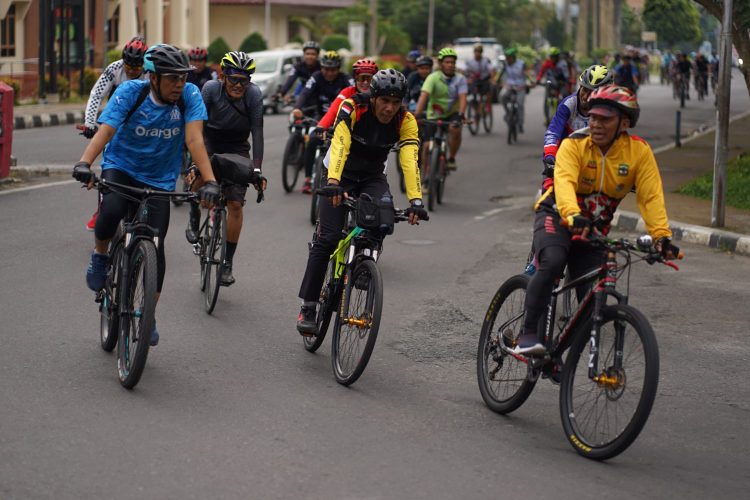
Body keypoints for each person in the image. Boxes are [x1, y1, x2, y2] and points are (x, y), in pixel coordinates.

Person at [515, 85, 680, 355]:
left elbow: (650, 198)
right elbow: (564, 182)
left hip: (593, 229)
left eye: (605, 119)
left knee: (589, 299)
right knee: (554, 261)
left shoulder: (638, 153)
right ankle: (528, 333)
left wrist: (662, 236)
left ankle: (560, 359)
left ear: (624, 123)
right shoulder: (574, 144)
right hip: (557, 215)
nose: (596, 124)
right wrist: (572, 214)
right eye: (592, 117)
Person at [72, 44, 220, 347]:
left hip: (160, 178)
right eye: (172, 78)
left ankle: (148, 313)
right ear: (153, 78)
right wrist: (85, 163)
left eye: (183, 77)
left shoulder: (190, 96)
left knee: (157, 242)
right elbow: (106, 130)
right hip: (121, 167)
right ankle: (101, 257)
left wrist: (211, 181)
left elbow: (194, 139)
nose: (180, 84)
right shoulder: (130, 93)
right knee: (111, 211)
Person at [295, 69, 428, 335]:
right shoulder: (353, 106)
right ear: (373, 97)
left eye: (396, 101)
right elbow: (341, 144)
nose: (390, 108)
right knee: (328, 238)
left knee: (383, 219)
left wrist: (415, 199)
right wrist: (333, 183)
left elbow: (409, 159)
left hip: (371, 175)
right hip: (338, 170)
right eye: (385, 101)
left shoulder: (406, 119)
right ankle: (309, 305)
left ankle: (365, 263)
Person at [185, 51, 267, 286]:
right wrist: (195, 161)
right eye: (233, 79)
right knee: (197, 180)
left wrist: (258, 169)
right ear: (223, 76)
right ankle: (193, 217)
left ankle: (227, 263)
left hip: (237, 149)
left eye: (245, 80)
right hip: (209, 143)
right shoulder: (210, 89)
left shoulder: (254, 95)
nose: (239, 85)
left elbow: (258, 133)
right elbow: (196, 126)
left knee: (235, 205)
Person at [81, 36, 149, 231]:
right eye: (128, 65)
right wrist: (89, 123)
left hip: (140, 126)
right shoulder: (114, 69)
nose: (131, 70)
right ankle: (103, 208)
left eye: (136, 67)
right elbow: (96, 95)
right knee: (109, 167)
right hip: (114, 125)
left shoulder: (149, 73)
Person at [541, 65, 614, 187]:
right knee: (548, 196)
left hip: (591, 162)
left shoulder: (611, 112)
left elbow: (616, 143)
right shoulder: (569, 104)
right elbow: (553, 133)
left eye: (592, 93)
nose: (585, 96)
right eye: (584, 89)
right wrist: (550, 156)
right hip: (562, 158)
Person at [292, 50, 353, 193]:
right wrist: (297, 107)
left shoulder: (346, 79)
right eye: (326, 69)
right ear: (321, 68)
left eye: (333, 70)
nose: (329, 73)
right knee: (312, 140)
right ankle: (307, 178)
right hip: (321, 118)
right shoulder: (316, 77)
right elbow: (305, 93)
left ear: (338, 69)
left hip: (342, 120)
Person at [414, 47, 468, 171]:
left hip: (452, 113)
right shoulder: (433, 77)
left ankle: (452, 158)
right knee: (427, 146)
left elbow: (463, 98)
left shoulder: (460, 79)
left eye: (452, 62)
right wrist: (416, 115)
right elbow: (424, 96)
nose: (450, 65)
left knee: (455, 130)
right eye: (447, 62)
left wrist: (461, 114)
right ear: (440, 63)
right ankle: (425, 175)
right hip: (434, 114)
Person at [316, 59, 379, 131]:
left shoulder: (378, 95)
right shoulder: (347, 92)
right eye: (361, 78)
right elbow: (333, 110)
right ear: (355, 79)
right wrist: (322, 126)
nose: (365, 82)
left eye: (369, 79)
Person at [499, 47, 530, 133]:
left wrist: (530, 82)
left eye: (509, 58)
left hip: (521, 87)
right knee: (502, 96)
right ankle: (508, 113)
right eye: (506, 57)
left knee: (520, 104)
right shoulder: (505, 64)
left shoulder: (521, 64)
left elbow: (527, 75)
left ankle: (520, 123)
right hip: (509, 86)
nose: (507, 59)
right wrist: (496, 81)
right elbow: (500, 74)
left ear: (513, 57)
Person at [465, 44, 497, 111]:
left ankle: (488, 105)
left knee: (488, 90)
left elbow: (491, 70)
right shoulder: (469, 61)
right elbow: (466, 71)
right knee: (472, 94)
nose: (477, 53)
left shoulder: (486, 60)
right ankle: (475, 109)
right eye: (476, 51)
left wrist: (492, 78)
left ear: (481, 52)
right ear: (474, 52)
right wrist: (467, 79)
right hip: (474, 80)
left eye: (479, 51)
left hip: (484, 79)